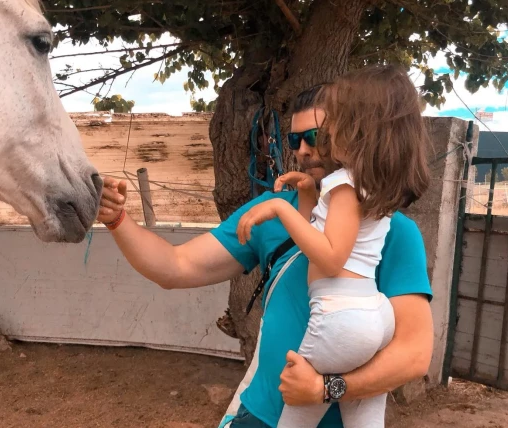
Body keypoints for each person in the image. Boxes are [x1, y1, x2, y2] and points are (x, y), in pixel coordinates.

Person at [97, 84, 434, 428]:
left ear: (346, 134)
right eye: (294, 140)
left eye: (315, 136)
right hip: (257, 415)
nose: (303, 150)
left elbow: (414, 355)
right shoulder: (271, 212)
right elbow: (175, 267)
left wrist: (326, 389)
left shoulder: (392, 231)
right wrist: (118, 220)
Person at [235, 65, 431, 428]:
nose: (317, 143)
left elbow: (328, 255)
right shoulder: (369, 184)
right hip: (374, 312)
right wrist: (308, 195)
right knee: (365, 420)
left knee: (294, 416)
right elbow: (321, 231)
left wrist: (279, 207)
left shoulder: (342, 186)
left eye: (329, 125)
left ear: (355, 130)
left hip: (340, 315)